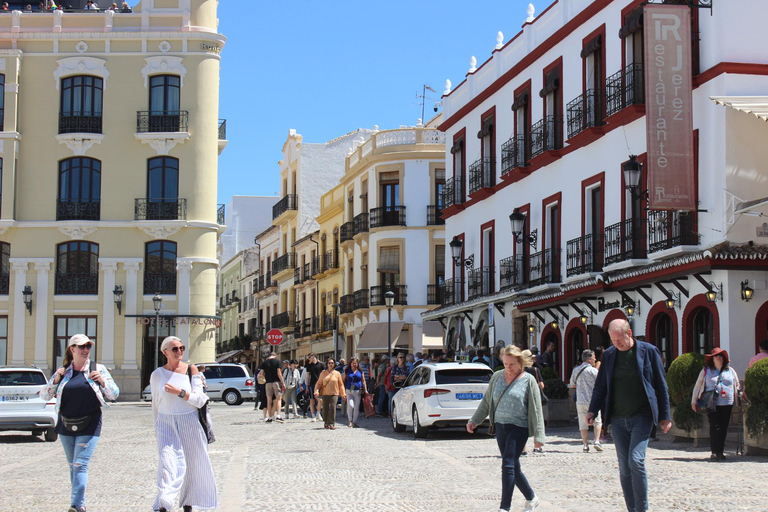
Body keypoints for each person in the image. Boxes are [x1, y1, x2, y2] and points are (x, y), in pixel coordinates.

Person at [587, 319, 671, 512]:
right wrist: (593, 409)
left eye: (620, 339)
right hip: (617, 418)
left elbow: (660, 384)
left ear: (630, 333)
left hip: (642, 416)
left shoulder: (649, 351)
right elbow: (601, 386)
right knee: (624, 468)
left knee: (636, 460)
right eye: (613, 340)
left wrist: (665, 415)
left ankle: (642, 509)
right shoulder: (609, 355)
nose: (617, 344)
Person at [40, 334, 119, 512]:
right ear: (72, 349)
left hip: (90, 424)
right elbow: (44, 395)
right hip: (66, 424)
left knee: (80, 464)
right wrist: (55, 380)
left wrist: (102, 380)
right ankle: (78, 503)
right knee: (72, 465)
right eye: (82, 347)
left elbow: (114, 394)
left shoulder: (97, 369)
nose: (85, 350)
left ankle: (77, 505)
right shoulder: (64, 371)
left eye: (88, 347)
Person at [467, 346, 545, 512]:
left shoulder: (528, 380)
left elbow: (536, 409)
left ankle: (505, 508)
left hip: (519, 427)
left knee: (507, 465)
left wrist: (539, 437)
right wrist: (474, 420)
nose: (508, 367)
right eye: (505, 363)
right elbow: (487, 402)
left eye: (512, 364)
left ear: (520, 363)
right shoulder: (497, 377)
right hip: (501, 426)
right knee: (513, 467)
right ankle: (531, 498)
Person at [150, 336, 217, 512]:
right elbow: (155, 404)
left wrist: (180, 393)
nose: (179, 351)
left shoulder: (191, 370)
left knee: (193, 463)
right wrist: (157, 427)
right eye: (175, 349)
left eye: (181, 348)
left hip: (189, 421)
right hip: (166, 422)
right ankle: (164, 502)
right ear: (165, 352)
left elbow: (200, 399)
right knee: (168, 462)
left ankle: (189, 502)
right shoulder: (157, 375)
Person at [691, 347, 740, 461]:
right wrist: (694, 401)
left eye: (721, 356)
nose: (719, 357)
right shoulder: (706, 371)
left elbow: (736, 384)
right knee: (715, 426)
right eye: (716, 356)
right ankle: (715, 451)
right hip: (712, 403)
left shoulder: (730, 370)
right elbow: (697, 386)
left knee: (724, 427)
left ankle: (721, 451)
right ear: (712, 359)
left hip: (727, 403)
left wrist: (741, 393)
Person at [571, 349, 602, 452]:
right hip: (593, 401)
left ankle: (585, 444)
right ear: (589, 359)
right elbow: (600, 384)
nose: (595, 359)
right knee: (597, 421)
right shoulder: (594, 371)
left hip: (580, 400)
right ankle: (597, 441)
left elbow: (572, 384)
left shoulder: (576, 370)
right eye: (594, 357)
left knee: (582, 423)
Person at [314, 358, 345, 429]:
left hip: (334, 393)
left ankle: (331, 423)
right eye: (329, 363)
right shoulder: (323, 373)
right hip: (325, 393)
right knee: (325, 409)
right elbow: (319, 383)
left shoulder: (337, 373)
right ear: (327, 364)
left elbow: (341, 384)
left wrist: (343, 394)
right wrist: (316, 391)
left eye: (332, 363)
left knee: (333, 407)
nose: (331, 364)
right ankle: (326, 422)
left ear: (334, 364)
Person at [258, 353, 285, 423]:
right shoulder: (277, 362)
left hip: (268, 383)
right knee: (278, 399)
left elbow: (261, 374)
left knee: (269, 401)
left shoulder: (264, 363)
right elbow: (279, 373)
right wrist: (282, 382)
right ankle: (278, 415)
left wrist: (266, 377)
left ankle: (269, 417)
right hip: (276, 382)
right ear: (275, 356)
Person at [343, 357, 368, 428]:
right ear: (350, 364)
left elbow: (363, 381)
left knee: (357, 407)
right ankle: (350, 420)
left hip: (358, 390)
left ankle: (354, 422)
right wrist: (342, 390)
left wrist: (365, 390)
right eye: (353, 363)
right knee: (350, 405)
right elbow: (343, 380)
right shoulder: (347, 370)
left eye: (356, 363)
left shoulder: (360, 371)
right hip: (349, 390)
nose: (354, 364)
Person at [304, 353, 326, 422]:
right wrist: (307, 386)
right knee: (312, 400)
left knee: (320, 400)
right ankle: (313, 416)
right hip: (312, 384)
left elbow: (325, 374)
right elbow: (307, 377)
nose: (310, 358)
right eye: (309, 357)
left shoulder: (321, 365)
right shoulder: (309, 366)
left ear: (314, 356)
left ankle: (318, 413)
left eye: (310, 357)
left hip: (320, 384)